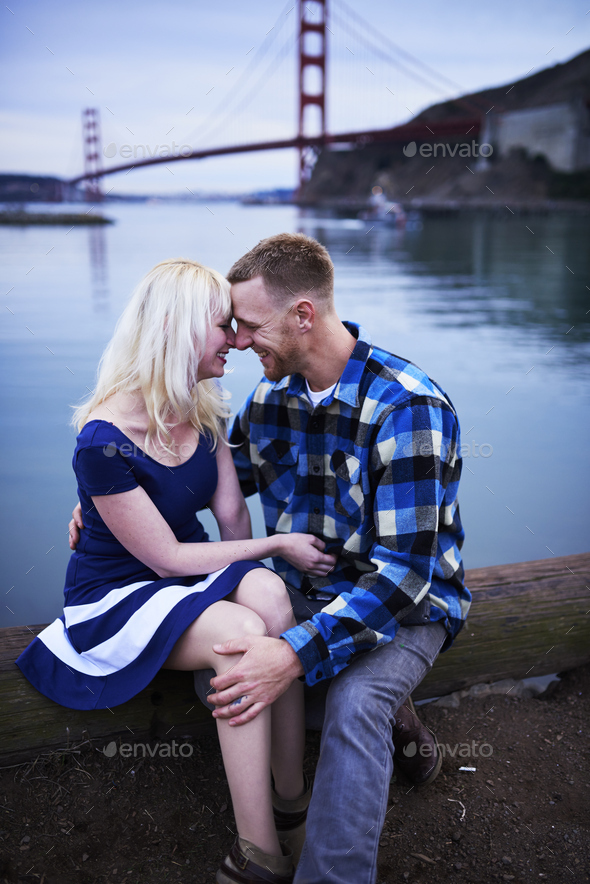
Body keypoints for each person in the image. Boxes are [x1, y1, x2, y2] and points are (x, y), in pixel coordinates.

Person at [17, 257, 338, 884]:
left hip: (187, 579)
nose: (237, 340)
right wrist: (280, 546)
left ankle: (290, 794)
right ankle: (260, 851)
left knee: (270, 600)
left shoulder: (203, 410)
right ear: (184, 329)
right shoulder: (104, 438)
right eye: (224, 326)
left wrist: (264, 561)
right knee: (243, 639)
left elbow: (233, 527)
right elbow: (164, 557)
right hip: (117, 596)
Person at [201, 233, 471, 884]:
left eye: (248, 325)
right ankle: (389, 721)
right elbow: (212, 483)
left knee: (354, 703)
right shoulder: (270, 400)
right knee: (228, 667)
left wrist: (293, 653)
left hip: (407, 608)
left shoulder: (407, 407)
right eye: (231, 328)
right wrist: (106, 499)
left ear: (303, 316)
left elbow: (402, 579)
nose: (237, 342)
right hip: (304, 596)